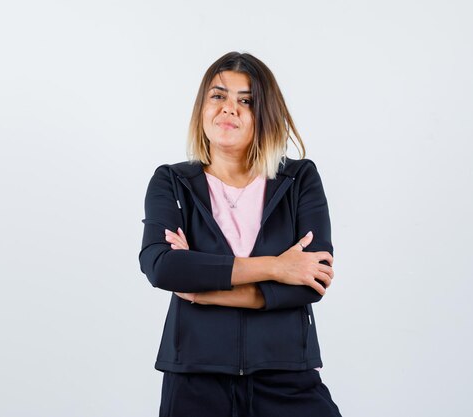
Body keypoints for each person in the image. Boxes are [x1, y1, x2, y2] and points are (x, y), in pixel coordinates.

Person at [138, 51, 343, 417]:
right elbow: (162, 267)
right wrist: (276, 267)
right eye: (218, 96)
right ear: (202, 108)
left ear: (263, 114)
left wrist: (201, 293)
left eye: (245, 101)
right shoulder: (171, 182)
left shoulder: (299, 180)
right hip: (196, 380)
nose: (228, 108)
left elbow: (311, 279)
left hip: (286, 376)